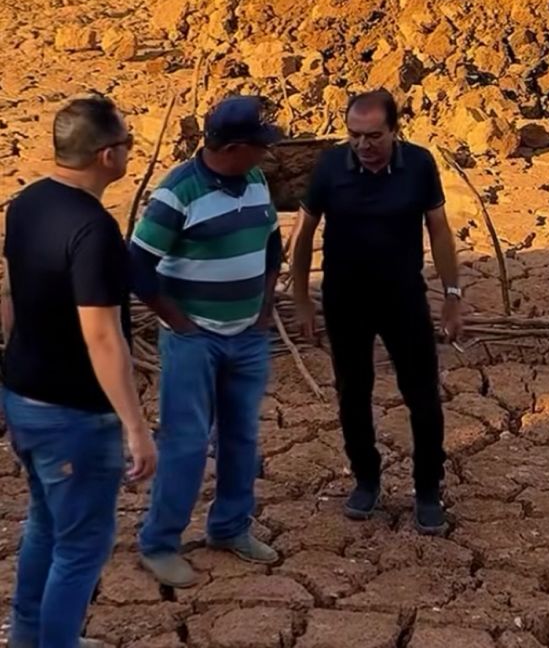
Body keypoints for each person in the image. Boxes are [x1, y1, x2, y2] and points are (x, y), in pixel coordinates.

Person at [1, 94, 156, 648]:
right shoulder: (93, 230)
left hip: (23, 397)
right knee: (83, 546)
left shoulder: (26, 203)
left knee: (45, 524)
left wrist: (18, 362)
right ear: (107, 155)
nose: (131, 152)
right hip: (73, 415)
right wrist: (136, 428)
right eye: (129, 144)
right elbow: (102, 336)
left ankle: (28, 636)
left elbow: (12, 296)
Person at [290, 89, 462, 535]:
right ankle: (365, 479)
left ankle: (427, 489)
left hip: (403, 297)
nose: (364, 146)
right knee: (353, 393)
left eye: (374, 137)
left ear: (395, 131)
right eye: (355, 136)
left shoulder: (420, 165)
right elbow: (303, 232)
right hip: (346, 299)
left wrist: (452, 294)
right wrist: (303, 299)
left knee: (422, 396)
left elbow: (439, 231)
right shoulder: (330, 165)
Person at [129, 96, 283, 587]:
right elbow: (136, 267)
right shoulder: (179, 193)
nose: (267, 155)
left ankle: (230, 527)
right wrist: (181, 323)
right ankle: (159, 544)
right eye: (260, 146)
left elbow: (272, 244)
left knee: (241, 438)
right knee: (187, 444)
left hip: (247, 338)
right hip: (194, 342)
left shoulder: (255, 180)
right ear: (234, 147)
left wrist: (263, 309)